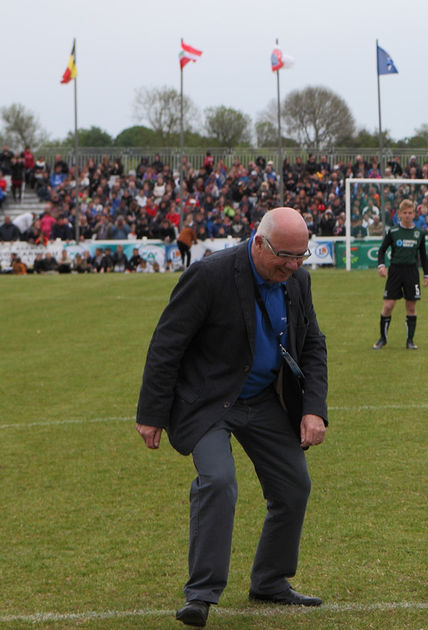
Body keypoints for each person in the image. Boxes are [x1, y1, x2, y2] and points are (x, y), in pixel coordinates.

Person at [135, 207, 328, 628]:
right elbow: (167, 344)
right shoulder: (209, 275)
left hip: (262, 400)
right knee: (218, 482)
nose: (293, 266)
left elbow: (312, 343)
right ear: (259, 243)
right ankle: (201, 594)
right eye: (286, 257)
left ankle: (270, 580)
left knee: (294, 484)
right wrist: (151, 413)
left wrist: (313, 408)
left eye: (302, 257)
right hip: (209, 401)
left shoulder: (298, 280)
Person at [373, 199, 428, 350]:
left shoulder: (419, 233)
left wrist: (426, 274)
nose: (407, 215)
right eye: (404, 213)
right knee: (388, 305)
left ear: (413, 214)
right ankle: (382, 339)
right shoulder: (393, 232)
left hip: (412, 272)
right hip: (395, 271)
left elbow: (423, 256)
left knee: (411, 306)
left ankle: (410, 341)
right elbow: (382, 250)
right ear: (399, 214)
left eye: (410, 213)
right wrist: (381, 266)